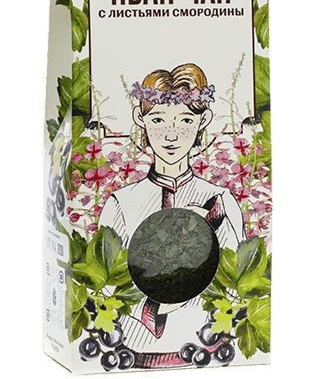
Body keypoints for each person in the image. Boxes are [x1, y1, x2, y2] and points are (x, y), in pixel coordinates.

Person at [99, 63, 244, 363]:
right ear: (140, 119)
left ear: (203, 121)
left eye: (185, 121)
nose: (171, 135)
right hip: (133, 356)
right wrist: (156, 305)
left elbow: (236, 281)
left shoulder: (221, 202)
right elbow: (107, 286)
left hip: (211, 355)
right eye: (158, 120)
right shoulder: (122, 203)